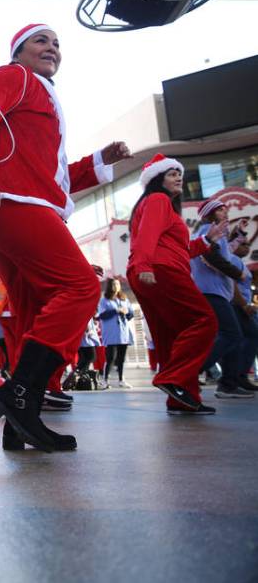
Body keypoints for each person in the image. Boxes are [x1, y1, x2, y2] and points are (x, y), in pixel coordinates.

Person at [0, 23, 132, 451]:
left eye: (56, 43)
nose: (51, 47)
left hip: (10, 203)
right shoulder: (17, 77)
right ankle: (20, 394)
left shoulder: (42, 96)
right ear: (18, 51)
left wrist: (99, 162)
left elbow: (53, 178)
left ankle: (20, 421)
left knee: (34, 310)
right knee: (80, 286)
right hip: (10, 201)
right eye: (41, 40)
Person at [127, 154, 226, 414]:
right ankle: (172, 378)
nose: (178, 177)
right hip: (161, 271)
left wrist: (208, 240)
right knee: (204, 321)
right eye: (171, 173)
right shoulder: (158, 200)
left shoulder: (158, 205)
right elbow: (147, 236)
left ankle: (180, 399)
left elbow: (179, 249)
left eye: (178, 173)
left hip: (154, 270)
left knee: (171, 337)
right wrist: (145, 265)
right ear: (157, 179)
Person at [191, 199, 254, 399]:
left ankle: (229, 383)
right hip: (211, 292)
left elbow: (228, 252)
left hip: (218, 293)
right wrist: (238, 274)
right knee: (231, 335)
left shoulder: (215, 233)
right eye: (220, 209)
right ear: (210, 213)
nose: (225, 211)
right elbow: (210, 257)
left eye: (225, 208)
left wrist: (240, 233)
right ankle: (191, 372)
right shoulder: (206, 230)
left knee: (234, 336)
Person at [230, 236, 258, 390]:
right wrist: (244, 305)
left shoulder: (239, 261)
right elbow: (232, 283)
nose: (247, 247)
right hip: (238, 305)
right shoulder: (233, 260)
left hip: (240, 305)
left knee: (240, 338)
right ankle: (238, 376)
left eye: (248, 244)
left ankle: (237, 376)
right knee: (252, 335)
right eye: (243, 244)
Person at [98, 278, 134, 389]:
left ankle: (121, 380)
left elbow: (130, 314)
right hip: (111, 332)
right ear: (110, 286)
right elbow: (102, 315)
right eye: (114, 284)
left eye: (118, 284)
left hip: (123, 333)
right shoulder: (105, 300)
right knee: (110, 358)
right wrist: (115, 311)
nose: (117, 286)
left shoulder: (124, 299)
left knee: (121, 358)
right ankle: (105, 380)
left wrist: (127, 312)